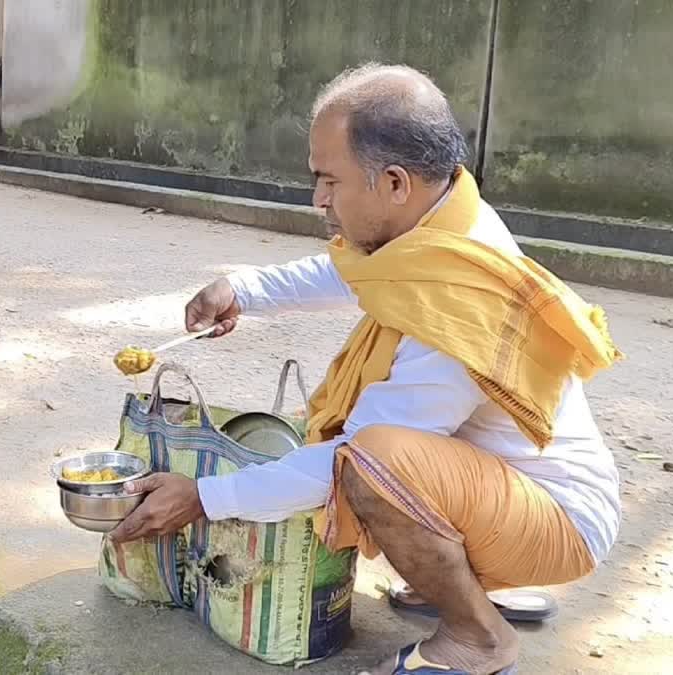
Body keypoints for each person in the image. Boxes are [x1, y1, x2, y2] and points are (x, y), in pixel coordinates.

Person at [108, 63, 622, 675]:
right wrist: (241, 289)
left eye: (329, 182)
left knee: (372, 465)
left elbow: (347, 461)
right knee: (378, 455)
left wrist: (204, 497)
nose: (318, 200)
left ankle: (477, 637)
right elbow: (348, 270)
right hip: (501, 487)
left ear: (396, 183)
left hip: (558, 518)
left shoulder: (457, 294)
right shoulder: (436, 226)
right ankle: (455, 580)